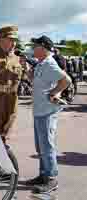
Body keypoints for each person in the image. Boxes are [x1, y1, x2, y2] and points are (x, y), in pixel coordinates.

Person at [24, 35, 71, 194]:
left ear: (43, 48)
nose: (32, 48)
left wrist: (54, 92)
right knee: (41, 146)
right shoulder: (41, 64)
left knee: (47, 146)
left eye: (35, 46)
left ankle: (51, 179)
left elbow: (66, 80)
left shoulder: (50, 64)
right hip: (39, 111)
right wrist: (27, 68)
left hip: (47, 111)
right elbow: (32, 79)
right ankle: (43, 175)